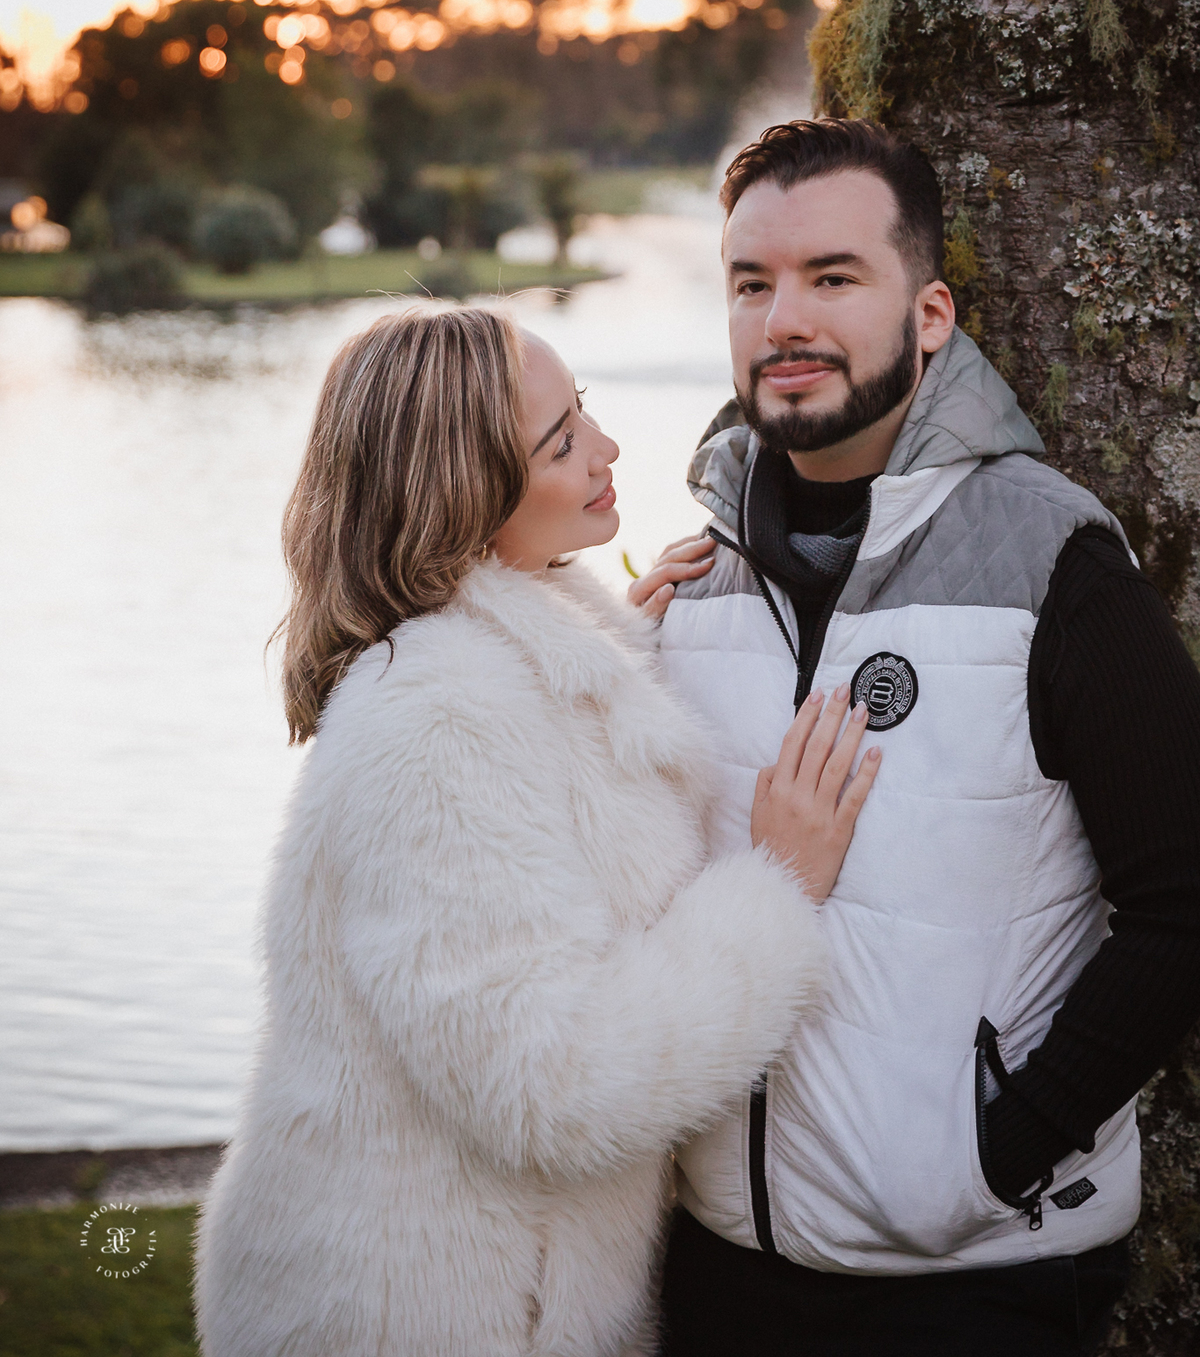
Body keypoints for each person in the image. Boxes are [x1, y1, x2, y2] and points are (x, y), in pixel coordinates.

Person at [192, 302, 881, 1357]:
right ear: (462, 500)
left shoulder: (508, 660)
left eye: (584, 410)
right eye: (560, 444)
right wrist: (775, 886)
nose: (607, 449)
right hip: (406, 1312)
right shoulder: (435, 717)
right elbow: (551, 1084)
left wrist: (616, 658)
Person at [650, 119, 1200, 1356]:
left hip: (975, 1284)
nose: (784, 319)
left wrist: (997, 1152)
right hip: (720, 1265)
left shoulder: (1052, 560)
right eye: (752, 283)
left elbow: (1184, 898)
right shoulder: (694, 575)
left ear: (931, 313)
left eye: (833, 277)